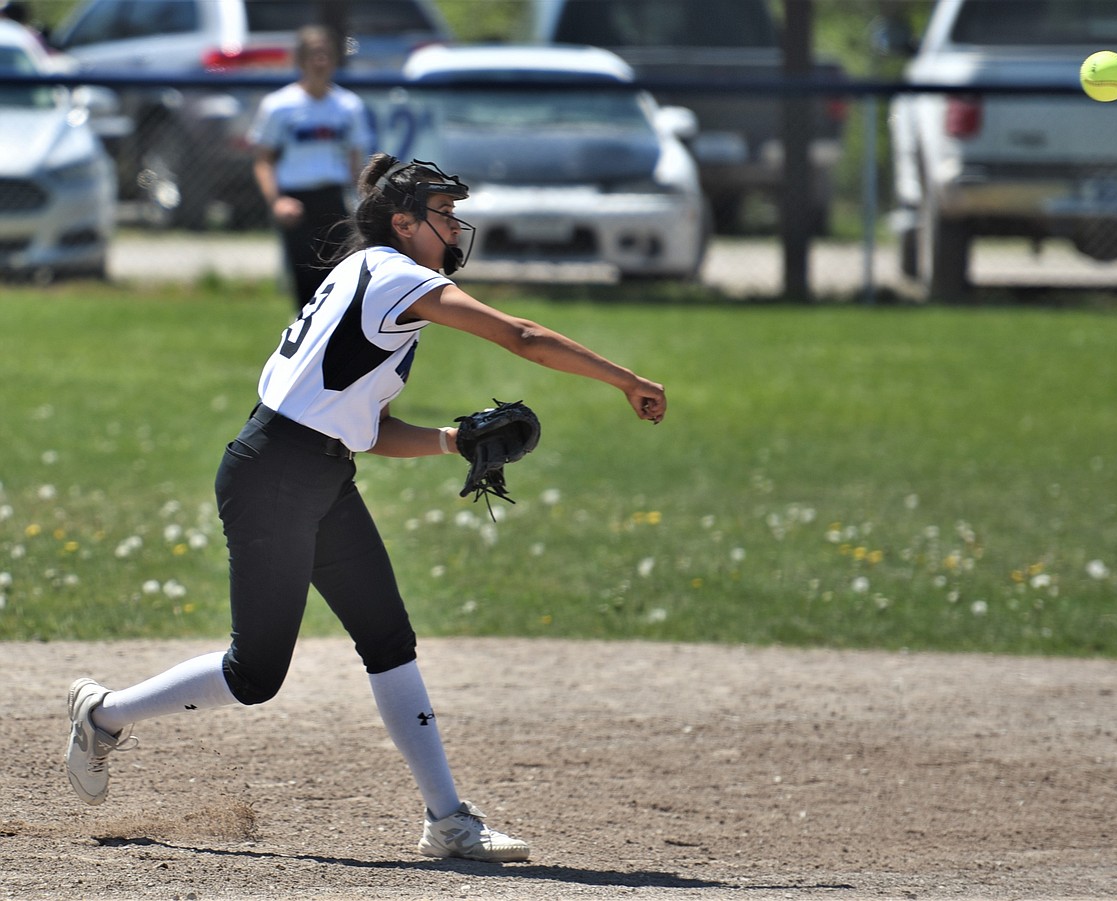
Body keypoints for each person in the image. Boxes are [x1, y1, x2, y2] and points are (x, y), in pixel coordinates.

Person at [64, 155, 667, 863]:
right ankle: (102, 714)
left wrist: (450, 441)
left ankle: (447, 819)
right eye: (442, 214)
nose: (454, 227)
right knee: (255, 674)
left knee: (388, 638)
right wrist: (626, 380)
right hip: (277, 477)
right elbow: (522, 336)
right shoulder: (399, 277)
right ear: (403, 223)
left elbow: (361, 428)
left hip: (312, 471)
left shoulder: (364, 273)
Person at [250, 25, 373, 311]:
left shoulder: (348, 106)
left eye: (326, 55)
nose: (320, 63)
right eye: (314, 55)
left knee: (339, 276)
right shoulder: (279, 105)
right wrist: (277, 200)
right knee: (304, 279)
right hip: (296, 200)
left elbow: (357, 161)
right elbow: (263, 160)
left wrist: (360, 202)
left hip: (332, 198)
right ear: (301, 60)